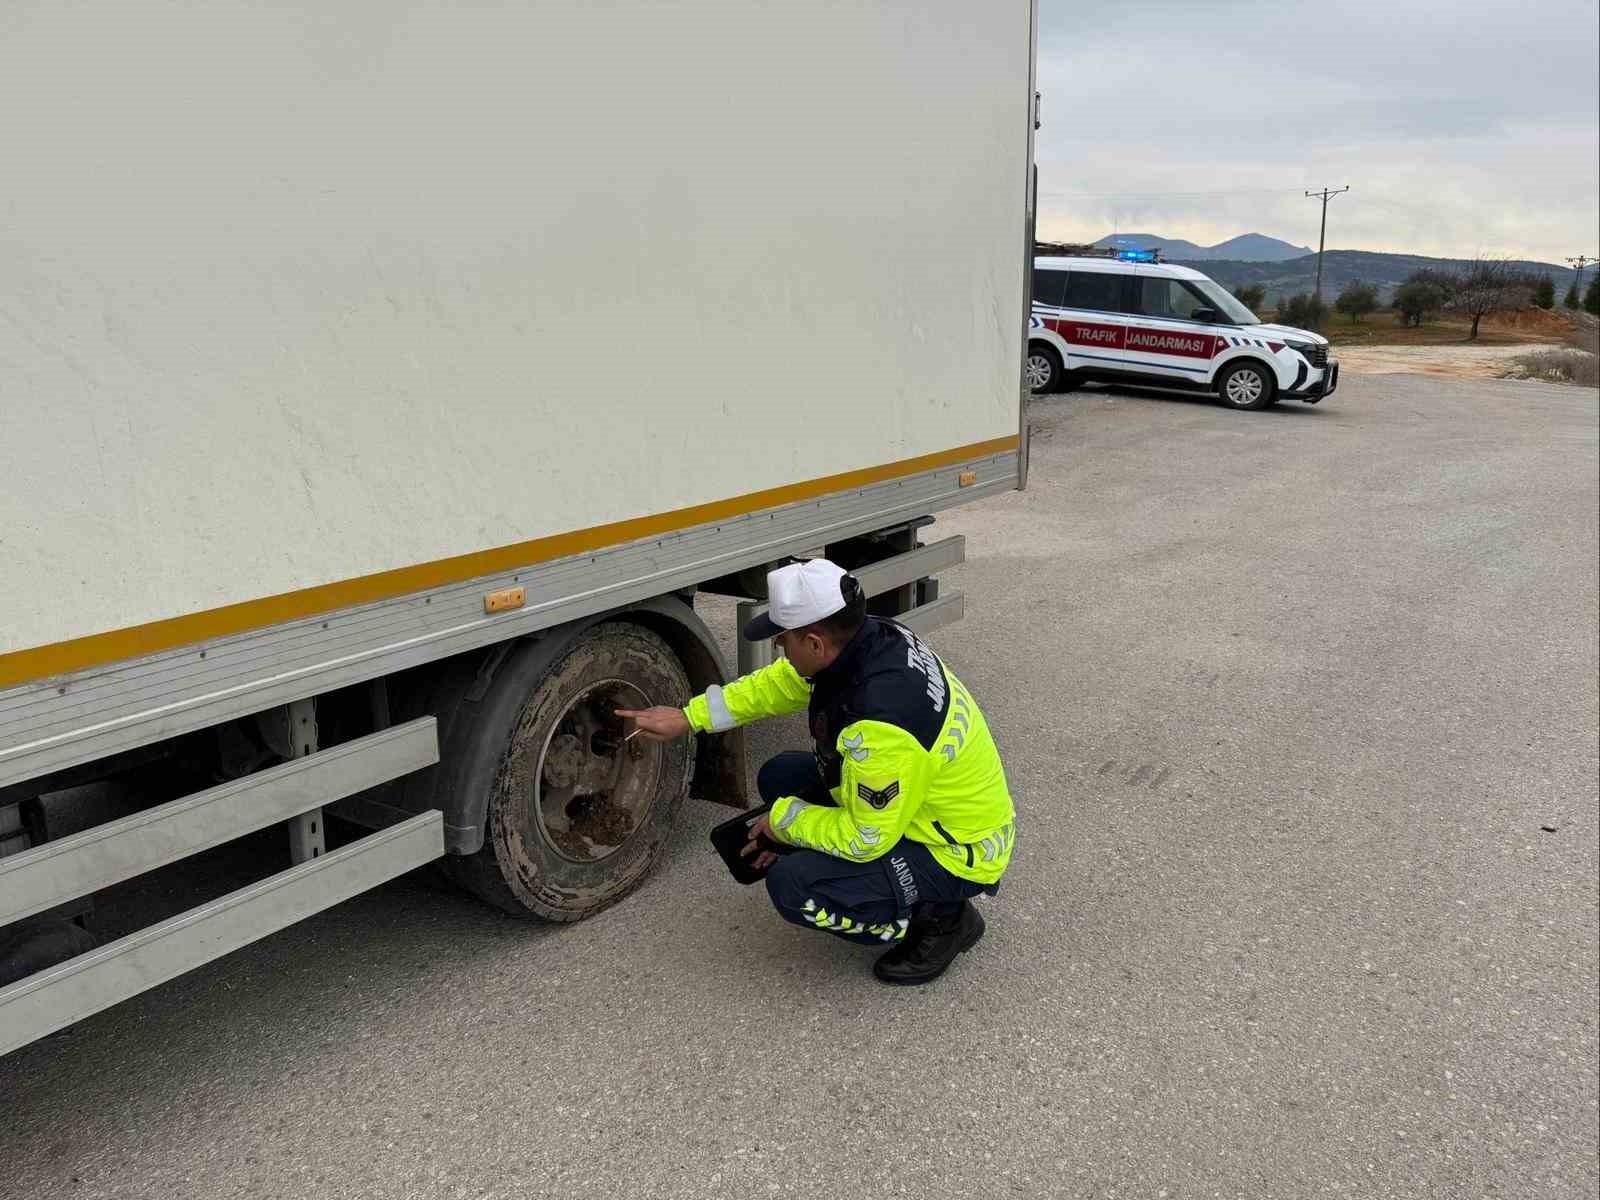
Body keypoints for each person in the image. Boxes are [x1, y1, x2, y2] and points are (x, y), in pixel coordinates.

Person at [619, 558, 1015, 985]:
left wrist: (785, 823)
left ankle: (942, 919)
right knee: (780, 777)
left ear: (813, 642)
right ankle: (890, 885)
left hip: (958, 848)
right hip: (918, 806)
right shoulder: (869, 641)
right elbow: (779, 685)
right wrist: (688, 717)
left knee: (794, 886)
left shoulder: (880, 725)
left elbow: (867, 838)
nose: (776, 647)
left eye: (782, 638)